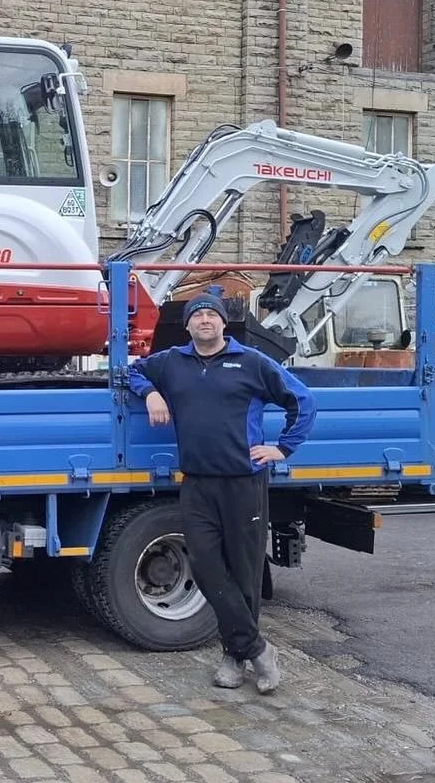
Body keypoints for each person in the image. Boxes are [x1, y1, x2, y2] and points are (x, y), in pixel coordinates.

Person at [127, 292, 317, 693]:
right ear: (189, 325)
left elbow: (302, 400)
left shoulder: (251, 362)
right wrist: (152, 392)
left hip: (243, 482)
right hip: (197, 482)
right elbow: (132, 371)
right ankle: (258, 650)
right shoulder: (172, 362)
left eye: (212, 315)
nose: (205, 321)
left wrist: (282, 447)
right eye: (198, 316)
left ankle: (235, 656)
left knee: (244, 573)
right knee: (206, 565)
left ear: (223, 324)